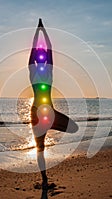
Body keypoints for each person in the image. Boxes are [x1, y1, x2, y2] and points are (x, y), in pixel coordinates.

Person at [28, 18, 78, 189]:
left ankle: (49, 126)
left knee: (74, 128)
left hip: (47, 113)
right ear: (37, 61)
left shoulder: (44, 72)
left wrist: (41, 30)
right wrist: (40, 30)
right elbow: (39, 49)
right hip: (39, 113)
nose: (42, 60)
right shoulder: (35, 72)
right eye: (40, 58)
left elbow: (47, 49)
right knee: (39, 148)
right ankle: (44, 180)